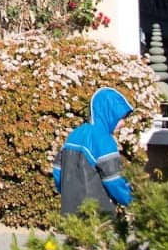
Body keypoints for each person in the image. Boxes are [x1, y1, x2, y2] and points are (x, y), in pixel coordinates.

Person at [52, 86, 133, 215]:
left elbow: (57, 171)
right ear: (109, 113)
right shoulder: (103, 140)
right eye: (120, 118)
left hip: (70, 212)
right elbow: (114, 180)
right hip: (97, 214)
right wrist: (133, 200)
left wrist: (67, 193)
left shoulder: (74, 134)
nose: (123, 123)